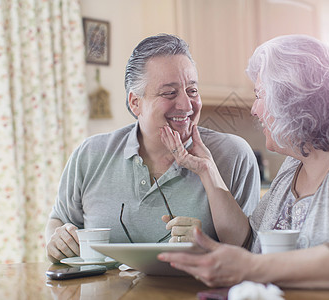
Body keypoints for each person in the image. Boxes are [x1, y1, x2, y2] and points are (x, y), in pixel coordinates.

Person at [158, 34, 329, 290]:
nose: (254, 109)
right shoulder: (296, 164)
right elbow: (252, 243)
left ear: (294, 98)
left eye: (260, 95)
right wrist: (206, 169)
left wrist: (252, 268)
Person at [45, 34, 260, 263]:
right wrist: (57, 241)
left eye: (192, 90)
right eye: (169, 93)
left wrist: (208, 246)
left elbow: (249, 251)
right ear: (135, 102)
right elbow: (59, 219)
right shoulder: (90, 154)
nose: (187, 105)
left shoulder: (233, 155)